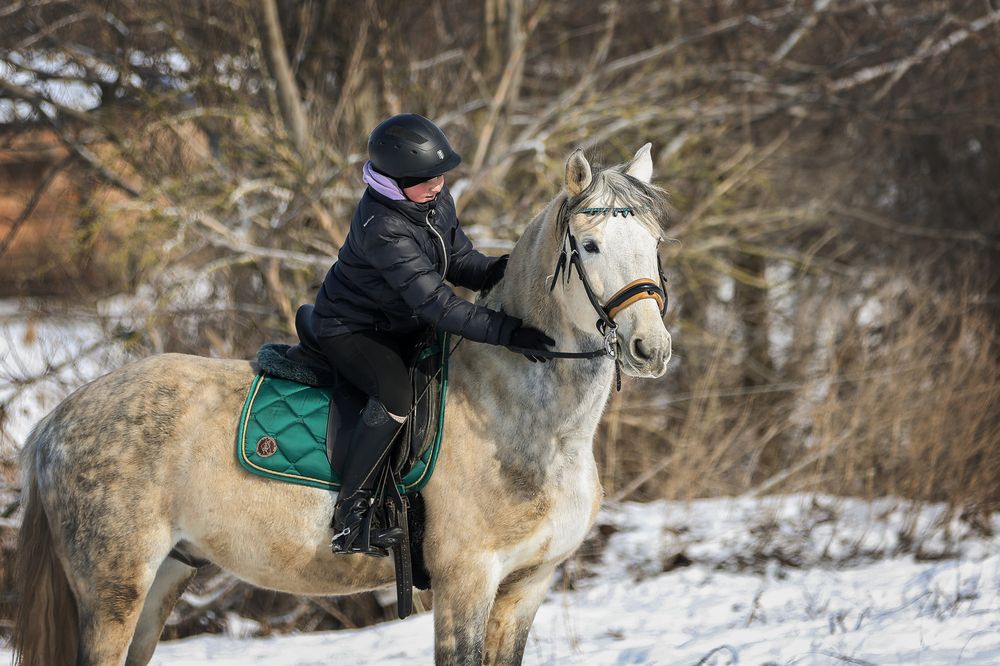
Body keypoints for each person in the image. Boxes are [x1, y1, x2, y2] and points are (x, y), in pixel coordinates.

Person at [297, 113, 555, 556]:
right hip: (352, 330)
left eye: (440, 173)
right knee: (395, 398)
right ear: (394, 181)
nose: (437, 183)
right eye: (424, 178)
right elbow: (436, 303)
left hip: (399, 323)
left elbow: (458, 258)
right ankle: (349, 516)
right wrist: (506, 331)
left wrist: (502, 270)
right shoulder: (382, 227)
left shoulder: (430, 199)